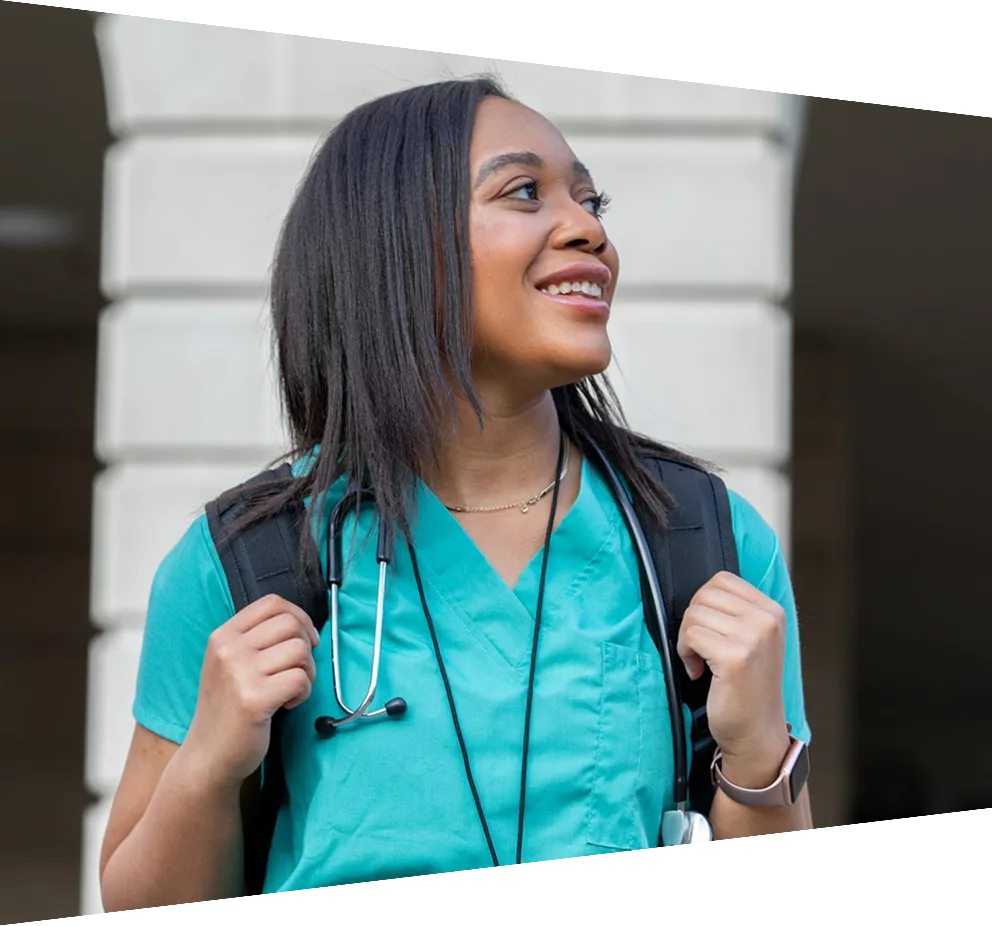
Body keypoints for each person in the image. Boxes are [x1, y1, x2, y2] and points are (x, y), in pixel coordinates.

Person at [98, 76, 813, 908]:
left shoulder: (704, 546)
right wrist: (210, 763)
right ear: (398, 244)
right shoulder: (244, 562)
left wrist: (759, 756)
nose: (588, 229)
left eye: (591, 200)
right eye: (524, 193)